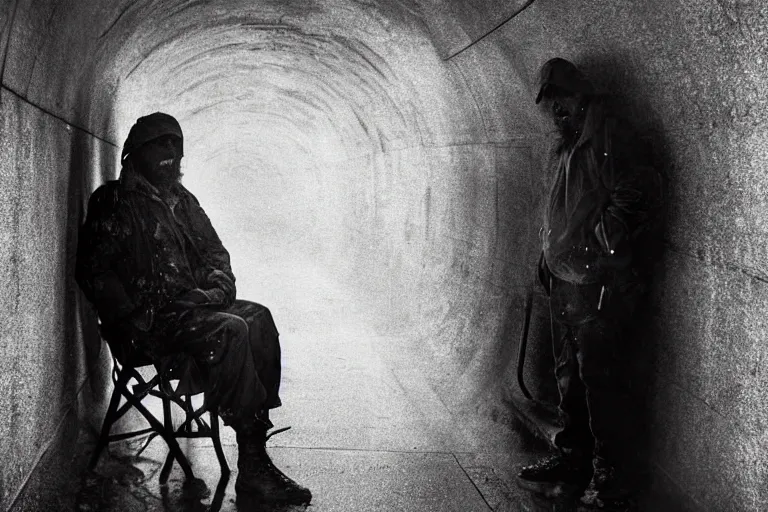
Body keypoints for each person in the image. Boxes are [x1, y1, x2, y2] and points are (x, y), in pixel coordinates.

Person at [75, 112, 312, 506]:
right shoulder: (114, 201)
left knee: (259, 318)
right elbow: (93, 270)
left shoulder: (184, 201)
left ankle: (255, 454)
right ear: (135, 153)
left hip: (194, 310)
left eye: (175, 143)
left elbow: (215, 253)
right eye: (159, 143)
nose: (170, 150)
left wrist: (214, 292)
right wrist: (134, 317)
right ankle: (253, 470)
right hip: (148, 325)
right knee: (232, 330)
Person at [516, 59, 662, 511]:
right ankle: (573, 456)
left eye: (563, 97)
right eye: (551, 101)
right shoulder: (564, 146)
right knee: (569, 375)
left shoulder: (608, 138)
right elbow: (559, 211)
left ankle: (611, 471)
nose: (557, 107)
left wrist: (602, 249)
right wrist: (549, 256)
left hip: (598, 282)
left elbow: (637, 192)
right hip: (566, 280)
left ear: (583, 95)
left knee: (600, 377)